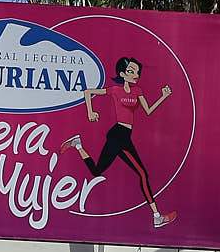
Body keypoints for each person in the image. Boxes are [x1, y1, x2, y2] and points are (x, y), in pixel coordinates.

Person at [64, 56, 176, 228]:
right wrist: (90, 112)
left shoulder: (137, 91)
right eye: (131, 71)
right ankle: (156, 216)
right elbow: (88, 92)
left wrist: (163, 96)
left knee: (96, 171)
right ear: (123, 73)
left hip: (124, 135)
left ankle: (77, 144)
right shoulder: (115, 90)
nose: (135, 74)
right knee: (142, 174)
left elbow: (148, 111)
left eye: (137, 72)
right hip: (118, 135)